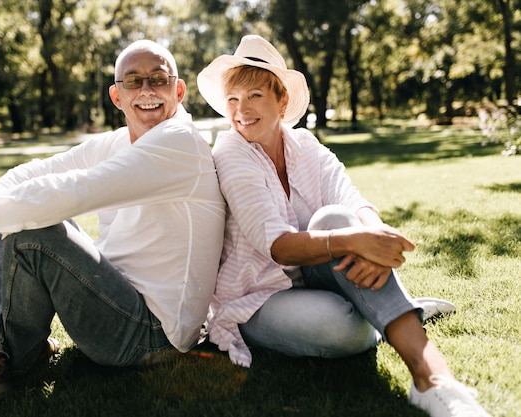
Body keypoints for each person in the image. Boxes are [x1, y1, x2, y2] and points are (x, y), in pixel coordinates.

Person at [0, 39, 225, 415]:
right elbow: (39, 172)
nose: (147, 90)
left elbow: (77, 190)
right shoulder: (119, 142)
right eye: (133, 81)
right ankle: (14, 353)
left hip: (154, 336)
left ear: (178, 90)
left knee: (33, 226)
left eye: (158, 79)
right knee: (28, 211)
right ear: (117, 97)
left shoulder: (179, 143)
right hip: (121, 304)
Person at [196, 35, 490, 417]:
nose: (241, 111)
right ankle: (399, 309)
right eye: (232, 100)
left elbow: (351, 199)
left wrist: (374, 234)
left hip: (318, 275)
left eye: (254, 96)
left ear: (282, 100)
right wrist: (358, 239)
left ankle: (434, 381)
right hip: (258, 296)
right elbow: (279, 246)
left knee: (336, 219)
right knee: (344, 331)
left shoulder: (304, 144)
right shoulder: (231, 151)